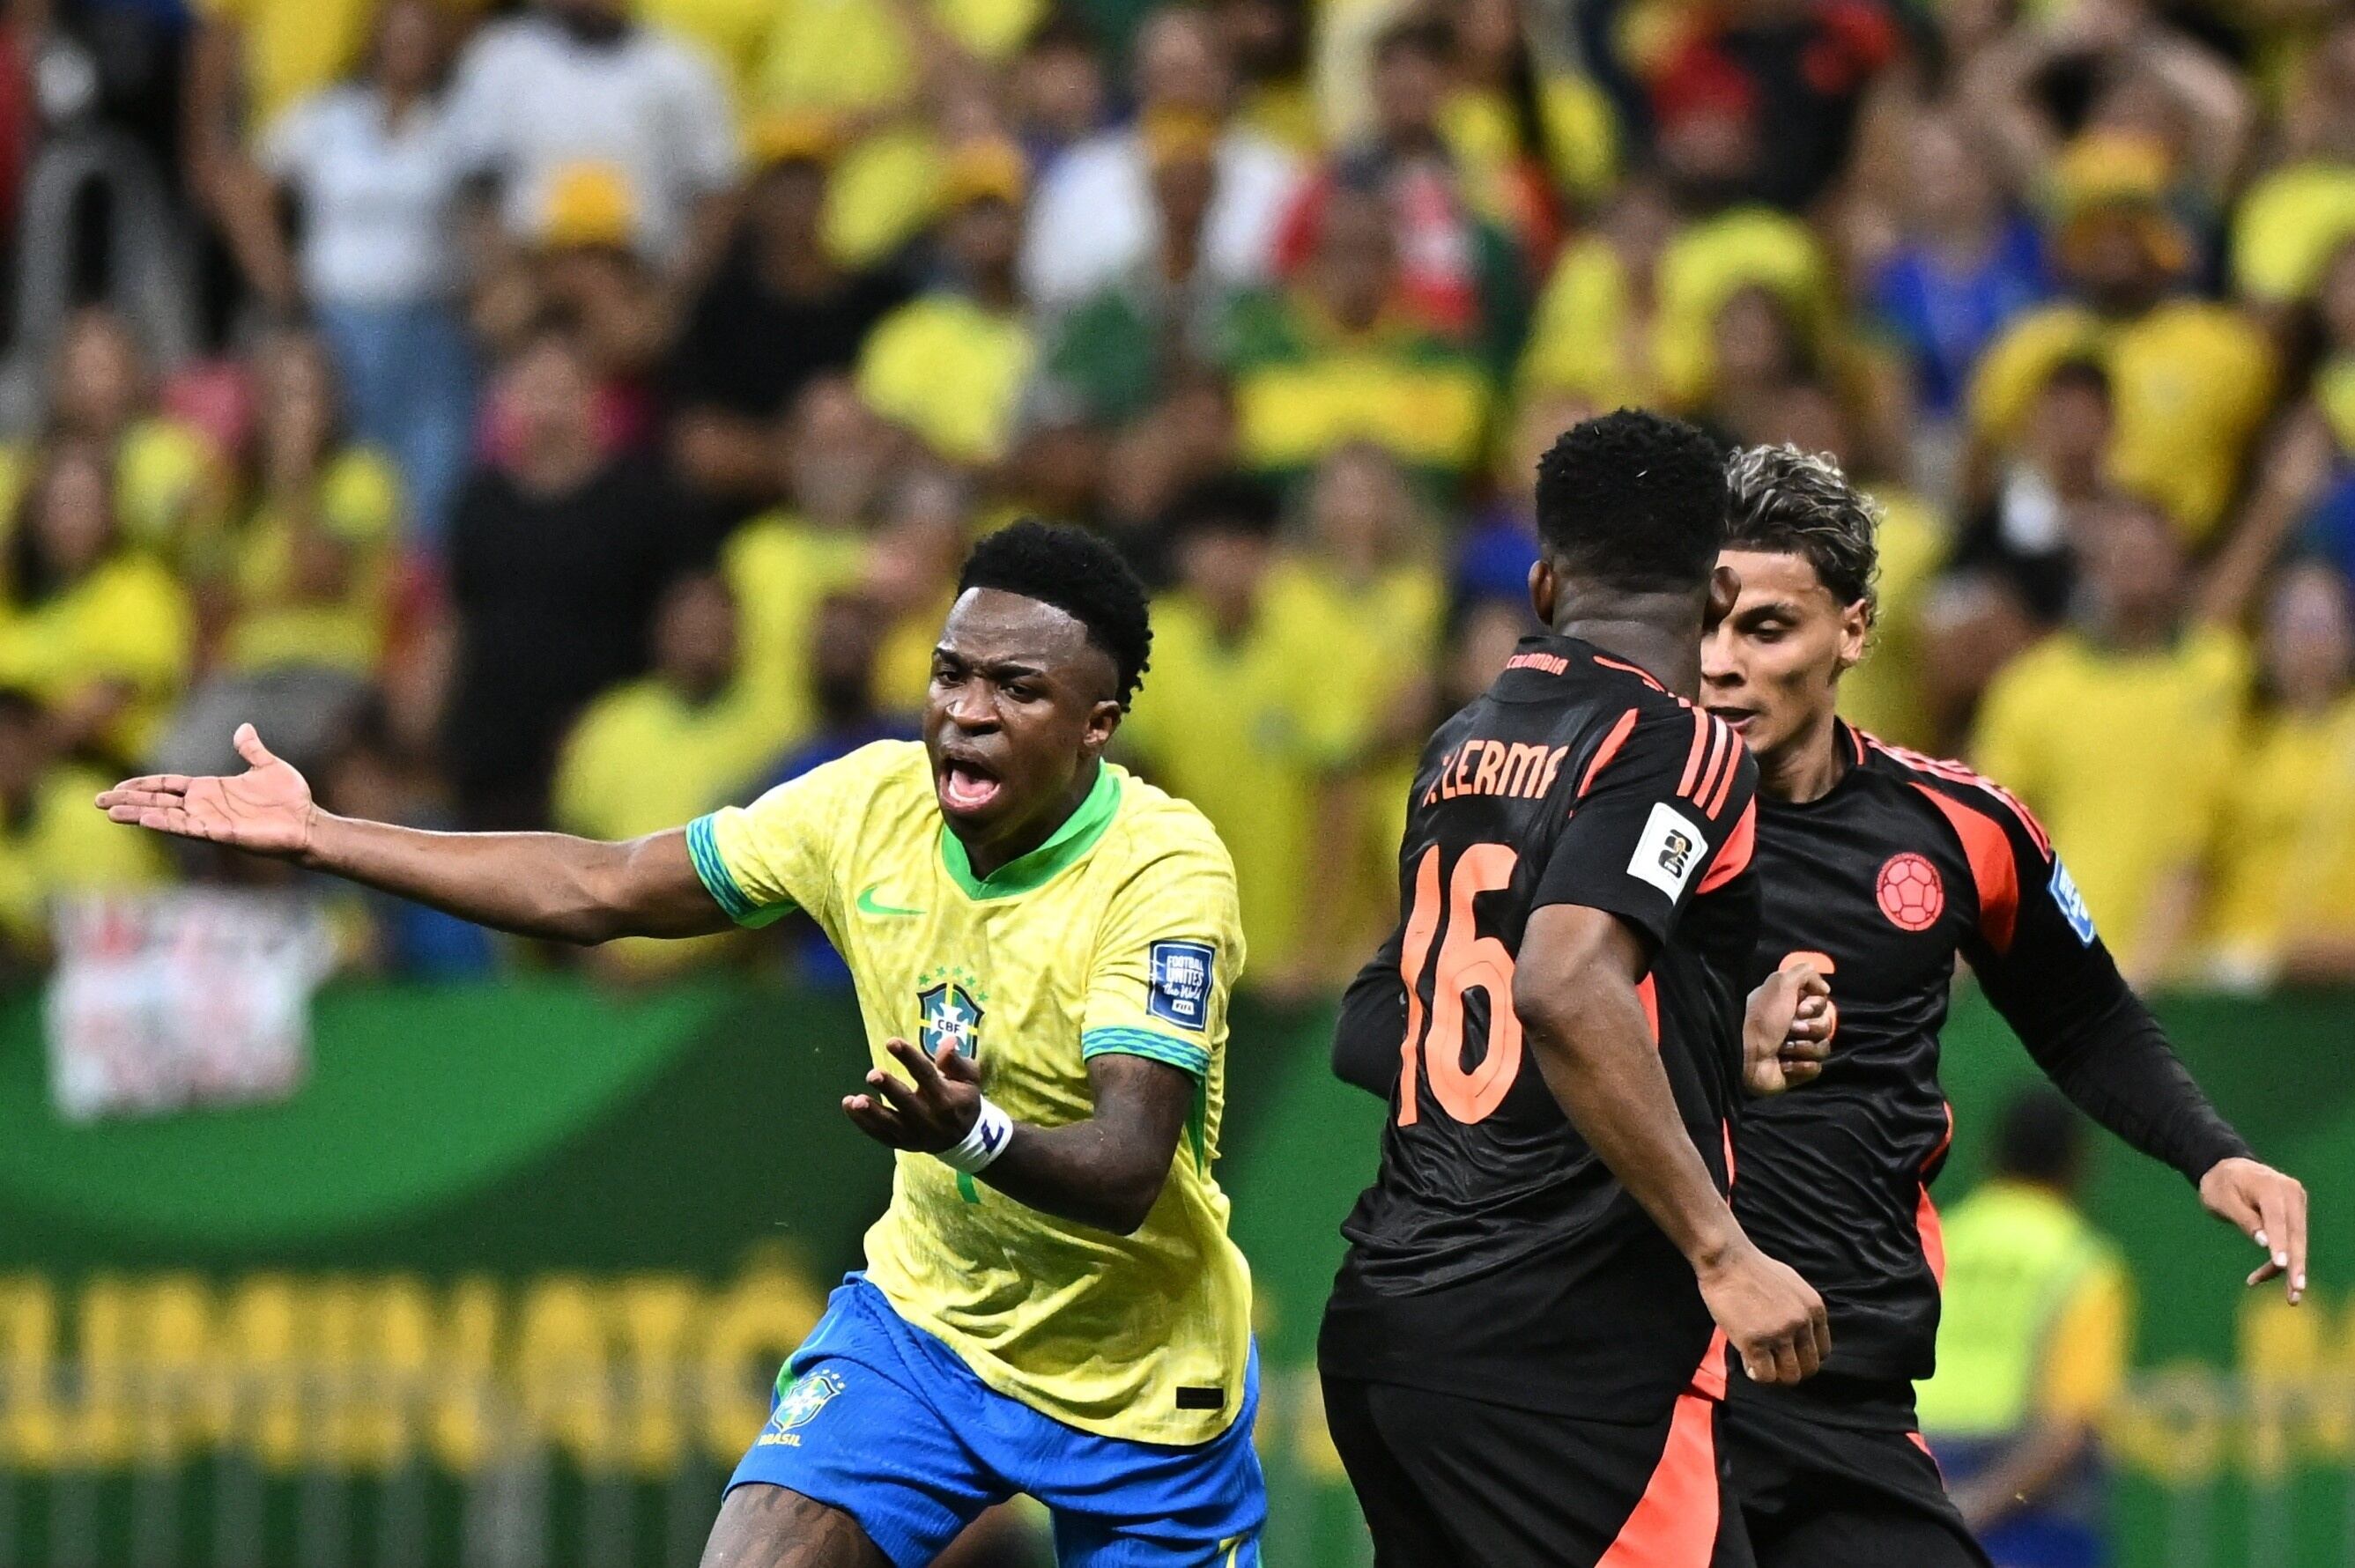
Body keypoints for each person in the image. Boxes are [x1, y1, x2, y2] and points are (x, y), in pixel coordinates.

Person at [96, 520, 1267, 1568]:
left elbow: (1125, 1169)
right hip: (930, 1331)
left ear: (1098, 727)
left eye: (1015, 688)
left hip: (1143, 1383)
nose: (965, 710)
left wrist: (972, 1131)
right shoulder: (862, 807)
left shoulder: (1162, 879)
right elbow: (598, 885)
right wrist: (325, 834)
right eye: (950, 673)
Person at [1695, 442, 2307, 1568]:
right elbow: (1517, 1036)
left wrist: (2211, 1152)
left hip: (1855, 1404)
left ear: (1855, 631)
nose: (1722, 664)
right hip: (1668, 1402)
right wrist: (1721, 1044)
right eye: (1708, 624)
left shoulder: (1959, 828)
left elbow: (2085, 1017)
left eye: (1766, 630)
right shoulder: (1627, 833)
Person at [1322, 410, 1833, 1567]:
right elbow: (1559, 986)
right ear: (1714, 590)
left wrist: (1698, 1041)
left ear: (1546, 583)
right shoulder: (1682, 743)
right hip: (1573, 1355)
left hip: (1392, 1333)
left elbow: (1377, 1025)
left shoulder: (1462, 743)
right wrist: (1721, 1252)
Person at [1918, 1090, 2131, 1568]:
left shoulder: (1942, 1238)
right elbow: (2068, 1427)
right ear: (2078, 1164)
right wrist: (1980, 1504)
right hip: (2030, 1506)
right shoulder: (2083, 1264)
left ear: (1993, 1154)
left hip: (1922, 1470)